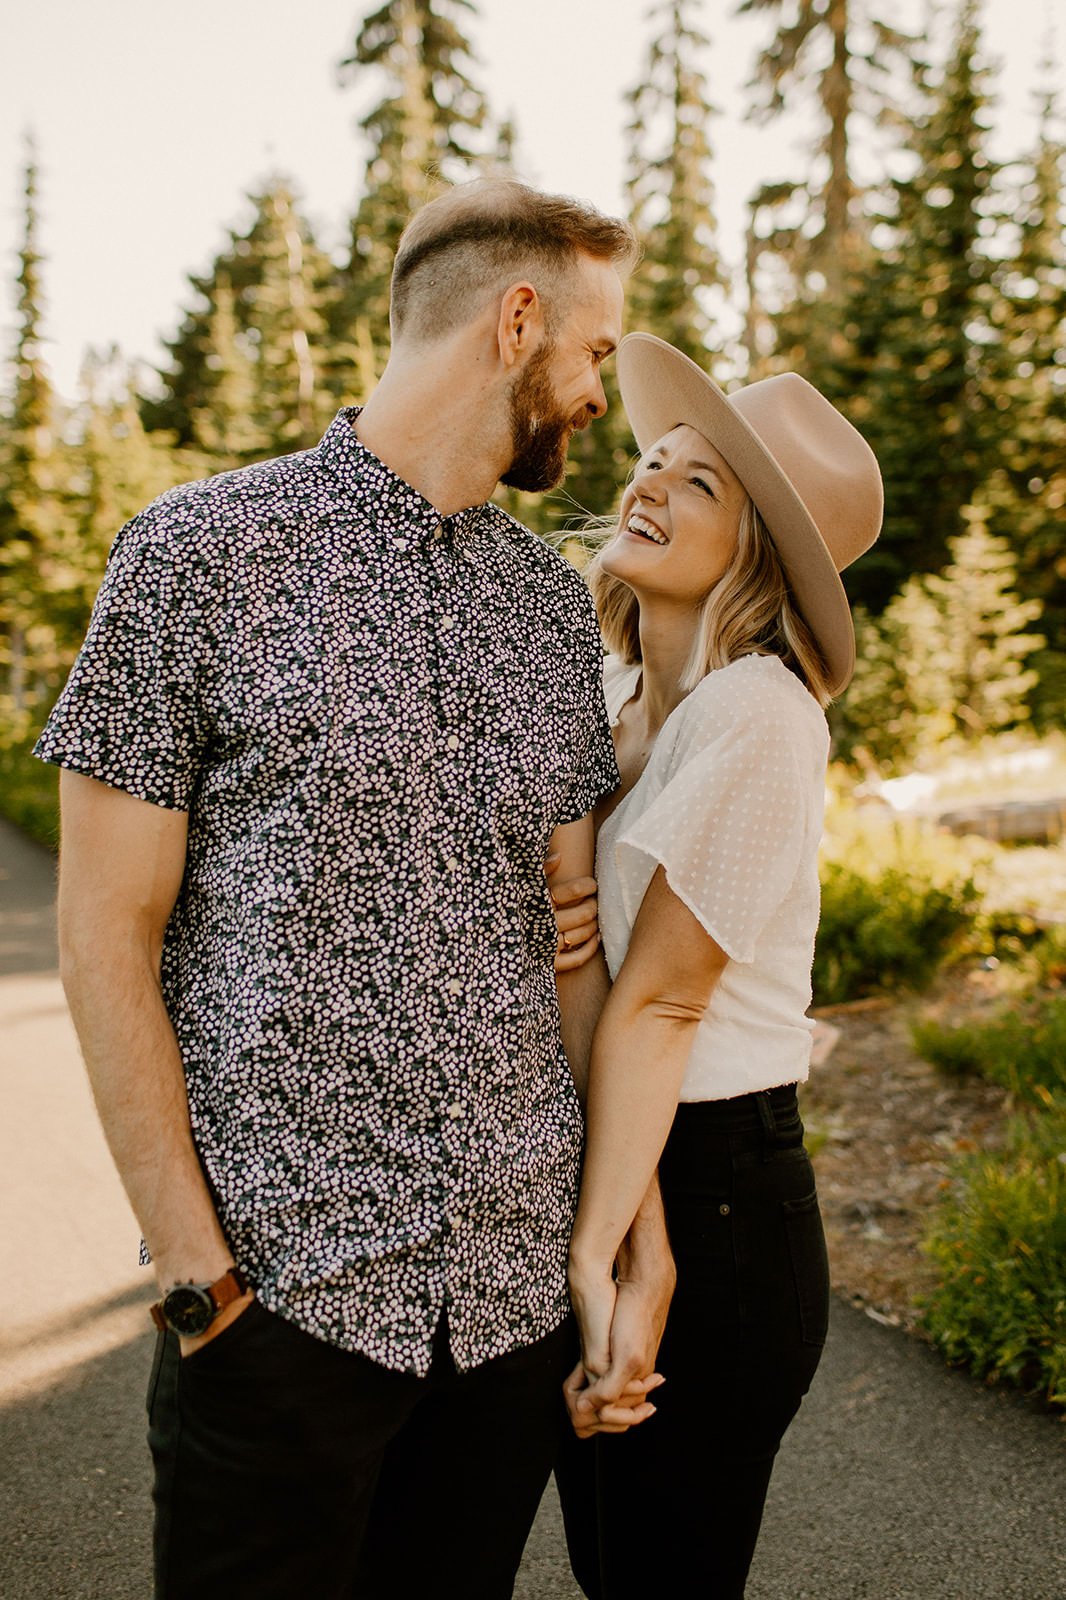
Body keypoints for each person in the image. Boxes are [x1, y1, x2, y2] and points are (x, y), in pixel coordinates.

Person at [34, 178, 671, 1600]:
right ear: (518, 321)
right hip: (286, 1307)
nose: (596, 398)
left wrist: (627, 1243)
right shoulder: (198, 554)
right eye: (593, 355)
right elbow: (104, 934)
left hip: (504, 1313)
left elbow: (568, 952)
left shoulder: (543, 607)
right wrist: (206, 1286)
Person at [552, 332, 883, 1599]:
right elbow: (579, 973)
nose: (645, 484)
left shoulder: (757, 714)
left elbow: (661, 1000)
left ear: (753, 551)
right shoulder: (613, 695)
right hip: (613, 1155)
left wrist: (616, 1255)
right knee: (610, 1562)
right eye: (650, 458)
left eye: (699, 484)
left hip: (717, 1182)